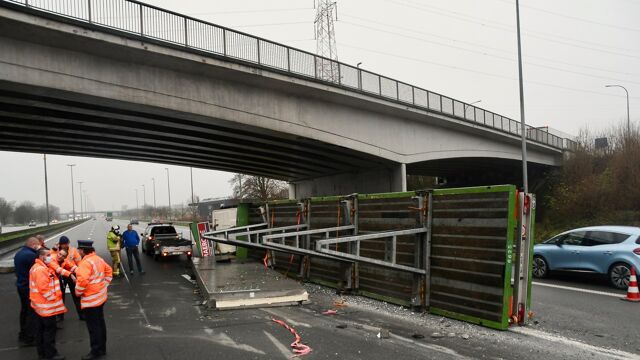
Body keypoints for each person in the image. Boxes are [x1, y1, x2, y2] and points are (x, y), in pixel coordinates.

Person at [75, 240, 112, 360]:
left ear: (82, 250)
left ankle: (95, 351)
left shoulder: (84, 263)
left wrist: (77, 292)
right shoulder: (98, 259)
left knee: (93, 327)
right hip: (100, 298)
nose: (78, 252)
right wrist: (104, 285)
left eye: (78, 250)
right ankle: (102, 348)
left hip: (91, 301)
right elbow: (109, 271)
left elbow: (82, 281)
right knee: (100, 324)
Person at [29, 248, 67, 360]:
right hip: (46, 307)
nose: (51, 257)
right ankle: (51, 354)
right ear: (41, 257)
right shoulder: (41, 270)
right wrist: (54, 299)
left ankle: (42, 353)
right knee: (49, 331)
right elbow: (44, 289)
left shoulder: (36, 267)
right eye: (48, 255)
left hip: (39, 306)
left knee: (40, 330)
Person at [14, 237, 40, 347]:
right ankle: (29, 337)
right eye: (37, 245)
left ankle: (23, 333)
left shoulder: (19, 254)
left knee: (24, 310)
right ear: (33, 245)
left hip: (21, 286)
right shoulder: (31, 256)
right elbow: (37, 270)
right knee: (31, 312)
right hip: (29, 287)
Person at [57, 236, 84, 320]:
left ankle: (82, 315)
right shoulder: (56, 251)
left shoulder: (73, 250)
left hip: (72, 274)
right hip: (61, 275)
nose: (65, 246)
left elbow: (79, 262)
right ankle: (60, 316)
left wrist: (79, 274)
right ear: (60, 244)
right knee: (60, 296)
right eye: (63, 244)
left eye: (66, 244)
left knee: (76, 295)